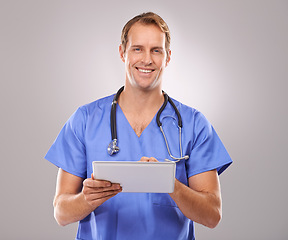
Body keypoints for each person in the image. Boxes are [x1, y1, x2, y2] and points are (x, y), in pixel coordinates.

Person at [45, 12, 232, 240]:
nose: (147, 59)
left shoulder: (194, 124)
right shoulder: (85, 120)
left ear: (168, 57)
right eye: (137, 49)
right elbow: (61, 213)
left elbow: (212, 215)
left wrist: (170, 184)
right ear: (123, 52)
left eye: (156, 50)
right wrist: (86, 199)